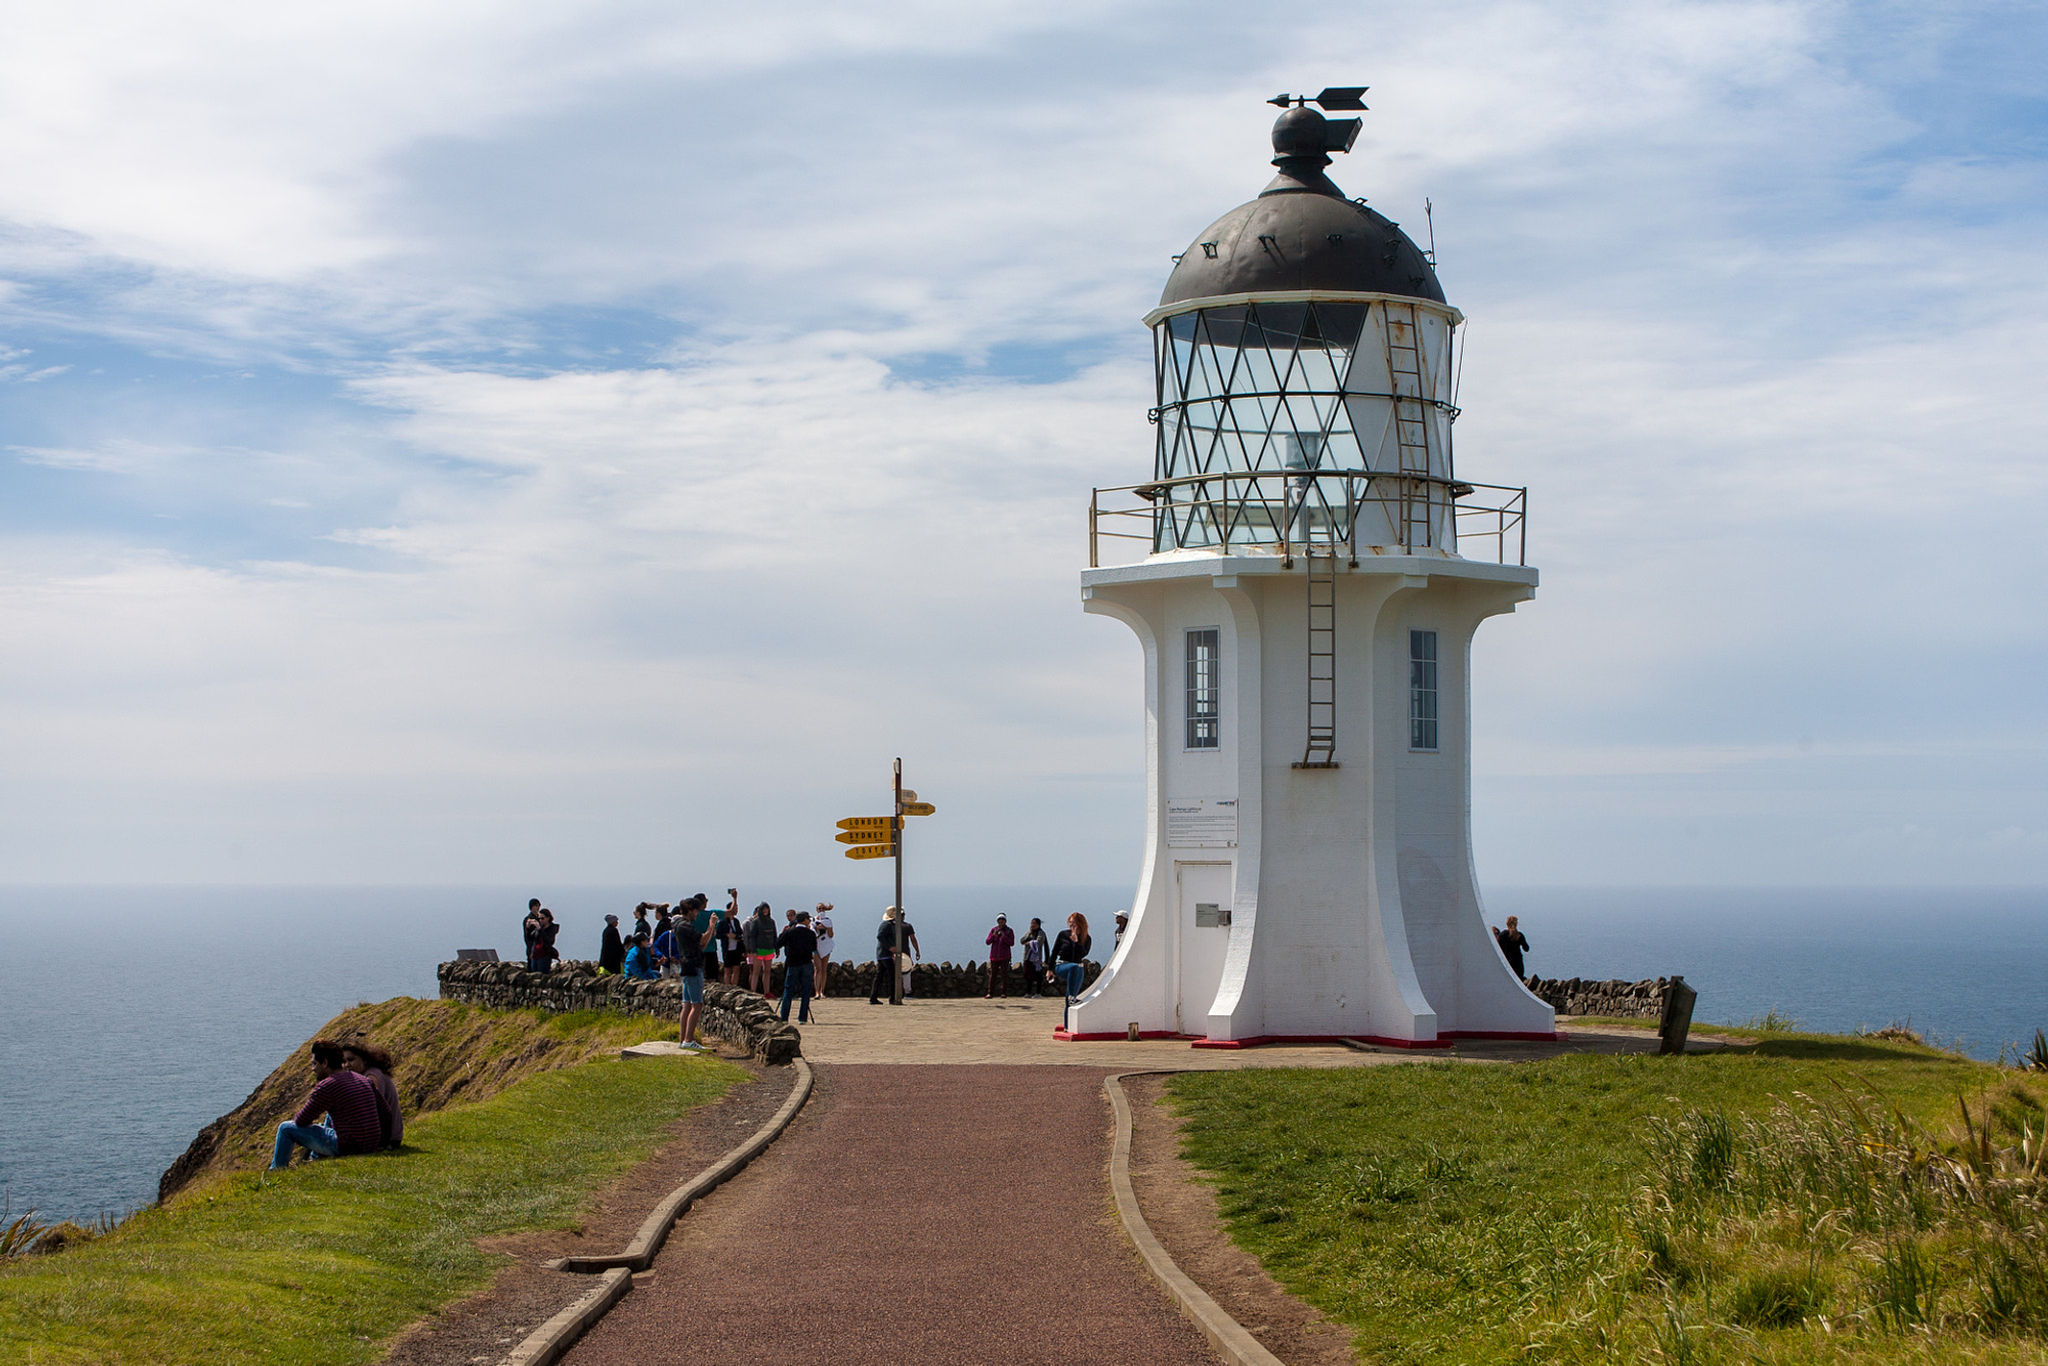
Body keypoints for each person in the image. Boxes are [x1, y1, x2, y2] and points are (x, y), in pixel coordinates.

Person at [271, 1039, 382, 1169]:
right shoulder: (363, 1080)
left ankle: (277, 1170)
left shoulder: (328, 1085)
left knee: (285, 1128)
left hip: (348, 1146)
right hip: (371, 1143)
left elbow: (301, 1121)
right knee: (330, 1116)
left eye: (314, 1064)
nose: (313, 1069)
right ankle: (316, 1159)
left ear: (324, 1063)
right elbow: (385, 1111)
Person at [342, 1040, 403, 1149]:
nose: (347, 1065)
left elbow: (371, 1110)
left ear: (364, 1060)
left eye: (351, 1060)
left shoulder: (371, 1077)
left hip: (387, 1139)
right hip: (391, 1137)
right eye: (343, 1061)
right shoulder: (370, 1074)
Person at [867, 905, 919, 1004]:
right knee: (892, 976)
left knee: (880, 976)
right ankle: (892, 998)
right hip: (886, 954)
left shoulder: (889, 924)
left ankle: (874, 998)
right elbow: (880, 936)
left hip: (883, 954)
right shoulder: (887, 925)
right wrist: (890, 947)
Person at [776, 911, 819, 1023]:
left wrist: (783, 933)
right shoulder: (811, 934)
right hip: (806, 963)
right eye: (808, 919)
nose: (809, 921)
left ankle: (784, 1017)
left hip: (793, 963)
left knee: (788, 991)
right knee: (805, 991)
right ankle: (803, 1018)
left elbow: (778, 943)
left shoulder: (790, 932)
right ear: (804, 920)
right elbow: (814, 948)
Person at [674, 909, 707, 1052]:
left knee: (686, 1004)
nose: (697, 914)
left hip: (687, 966)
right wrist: (711, 926)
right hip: (693, 967)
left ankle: (683, 1039)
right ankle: (688, 1040)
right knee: (697, 1004)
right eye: (695, 911)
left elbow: (701, 945)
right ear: (690, 910)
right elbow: (703, 940)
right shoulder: (685, 926)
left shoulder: (679, 926)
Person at [1050, 913, 1091, 1000]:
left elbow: (1083, 953)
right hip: (1062, 965)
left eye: (1074, 922)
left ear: (1080, 923)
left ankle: (1071, 999)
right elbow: (1054, 952)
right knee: (1074, 967)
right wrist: (1049, 969)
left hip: (1078, 968)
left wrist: (1076, 941)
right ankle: (1072, 997)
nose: (1071, 924)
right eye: (1070, 922)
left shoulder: (1086, 938)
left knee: (1069, 1000)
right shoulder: (1063, 934)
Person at [984, 914, 1016, 998]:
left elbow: (1011, 943)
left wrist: (1003, 936)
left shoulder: (1009, 931)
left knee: (1004, 975)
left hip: (1005, 957)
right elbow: (987, 942)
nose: (1001, 922)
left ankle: (1004, 992)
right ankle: (990, 993)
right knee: (993, 975)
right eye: (999, 920)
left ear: (1005, 921)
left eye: (1002, 920)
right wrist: (993, 936)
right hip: (994, 956)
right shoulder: (993, 930)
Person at [1493, 915, 1531, 980]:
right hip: (1518, 963)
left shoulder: (1502, 935)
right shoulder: (1519, 935)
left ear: (1507, 924)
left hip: (1507, 963)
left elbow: (1497, 947)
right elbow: (1526, 949)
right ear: (1516, 924)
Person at [720, 895, 746, 986]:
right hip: (727, 948)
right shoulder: (723, 922)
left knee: (736, 968)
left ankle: (734, 987)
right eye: (735, 908)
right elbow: (718, 934)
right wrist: (727, 935)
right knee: (727, 969)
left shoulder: (736, 921)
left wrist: (736, 936)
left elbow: (740, 933)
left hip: (736, 948)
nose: (736, 910)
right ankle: (727, 987)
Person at [1021, 917, 1050, 996]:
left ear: (1038, 925)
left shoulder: (1041, 933)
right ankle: (1028, 992)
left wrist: (1028, 943)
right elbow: (1022, 941)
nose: (1032, 925)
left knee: (1038, 976)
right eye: (1031, 923)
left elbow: (1038, 942)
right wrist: (1029, 934)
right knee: (1027, 975)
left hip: (1036, 959)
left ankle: (1038, 992)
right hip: (1027, 957)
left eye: (1034, 923)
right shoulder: (1029, 933)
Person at [813, 903, 835, 999]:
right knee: (817, 968)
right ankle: (816, 992)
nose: (821, 910)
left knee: (824, 969)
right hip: (816, 946)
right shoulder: (813, 920)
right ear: (817, 910)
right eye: (819, 908)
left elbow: (831, 935)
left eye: (822, 908)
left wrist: (826, 927)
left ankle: (822, 991)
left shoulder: (828, 921)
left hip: (825, 945)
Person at [523, 898, 543, 967]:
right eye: (537, 906)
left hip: (541, 949)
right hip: (532, 948)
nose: (538, 908)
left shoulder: (540, 919)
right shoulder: (528, 919)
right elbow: (527, 936)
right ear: (533, 907)